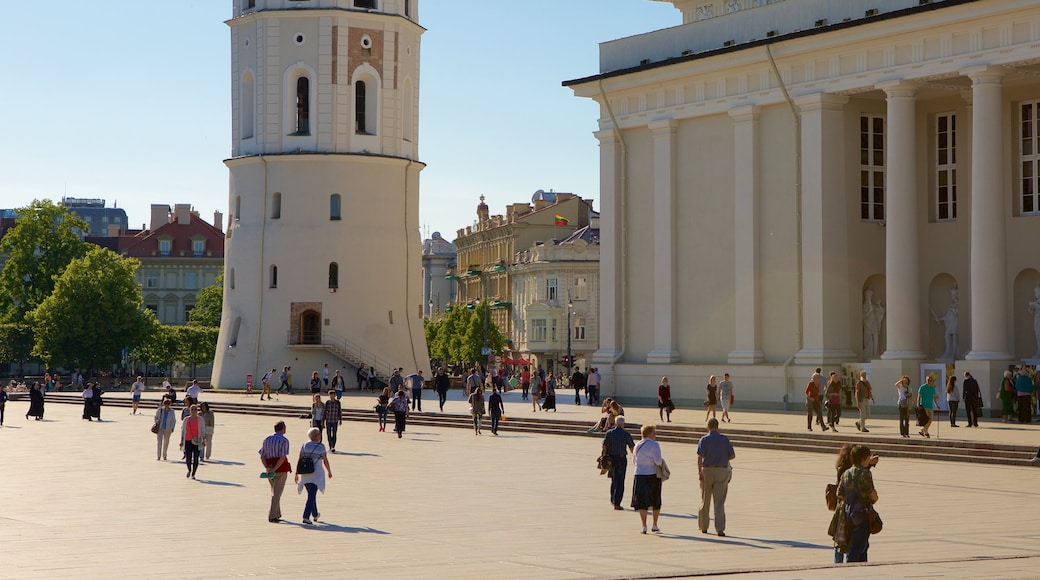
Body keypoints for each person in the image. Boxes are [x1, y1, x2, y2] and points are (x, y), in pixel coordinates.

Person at [836, 445, 879, 562]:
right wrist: (874, 499)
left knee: (853, 542)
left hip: (848, 512)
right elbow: (872, 492)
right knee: (860, 544)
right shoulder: (865, 473)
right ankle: (853, 566)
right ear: (864, 459)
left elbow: (839, 493)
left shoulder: (846, 473)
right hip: (862, 513)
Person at [698, 418, 735, 537]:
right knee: (719, 502)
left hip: (707, 470)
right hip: (721, 470)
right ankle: (720, 528)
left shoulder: (704, 439)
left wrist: (700, 472)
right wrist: (722, 458)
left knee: (705, 499)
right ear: (717, 427)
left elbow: (699, 457)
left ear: (708, 427)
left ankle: (703, 526)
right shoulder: (724, 439)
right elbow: (732, 455)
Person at [631, 423, 664, 534]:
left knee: (641, 501)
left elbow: (634, 462)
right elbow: (658, 461)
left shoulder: (637, 445)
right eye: (654, 432)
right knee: (655, 500)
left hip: (639, 474)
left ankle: (644, 525)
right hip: (652, 474)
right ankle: (654, 524)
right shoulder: (655, 445)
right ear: (649, 433)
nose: (655, 434)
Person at [295, 427, 332, 525]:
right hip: (316, 473)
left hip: (305, 473)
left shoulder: (304, 445)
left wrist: (296, 473)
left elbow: (300, 459)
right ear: (315, 436)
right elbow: (325, 460)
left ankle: (315, 514)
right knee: (312, 495)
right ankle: (306, 516)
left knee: (311, 494)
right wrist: (329, 471)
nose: (320, 435)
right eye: (319, 434)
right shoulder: (321, 446)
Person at [260, 421, 292, 523]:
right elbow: (283, 457)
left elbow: (262, 455)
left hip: (269, 467)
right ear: (282, 428)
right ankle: (272, 515)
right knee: (277, 493)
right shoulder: (284, 440)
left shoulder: (267, 439)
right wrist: (275, 468)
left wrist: (267, 467)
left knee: (274, 491)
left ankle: (277, 513)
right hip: (280, 469)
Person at [602, 416, 635, 510]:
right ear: (623, 424)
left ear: (615, 423)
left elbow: (604, 446)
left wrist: (605, 455)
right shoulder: (626, 434)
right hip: (621, 458)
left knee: (613, 479)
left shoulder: (609, 433)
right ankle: (617, 502)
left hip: (611, 459)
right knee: (620, 481)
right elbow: (632, 448)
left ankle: (613, 499)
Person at [179, 404, 203, 479]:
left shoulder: (200, 419)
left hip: (197, 441)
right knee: (188, 457)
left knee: (196, 457)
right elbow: (183, 431)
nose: (193, 411)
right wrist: (181, 441)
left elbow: (203, 430)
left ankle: (193, 473)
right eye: (192, 409)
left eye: (195, 409)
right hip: (188, 440)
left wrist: (204, 440)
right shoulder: (186, 419)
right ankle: (189, 469)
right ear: (190, 410)